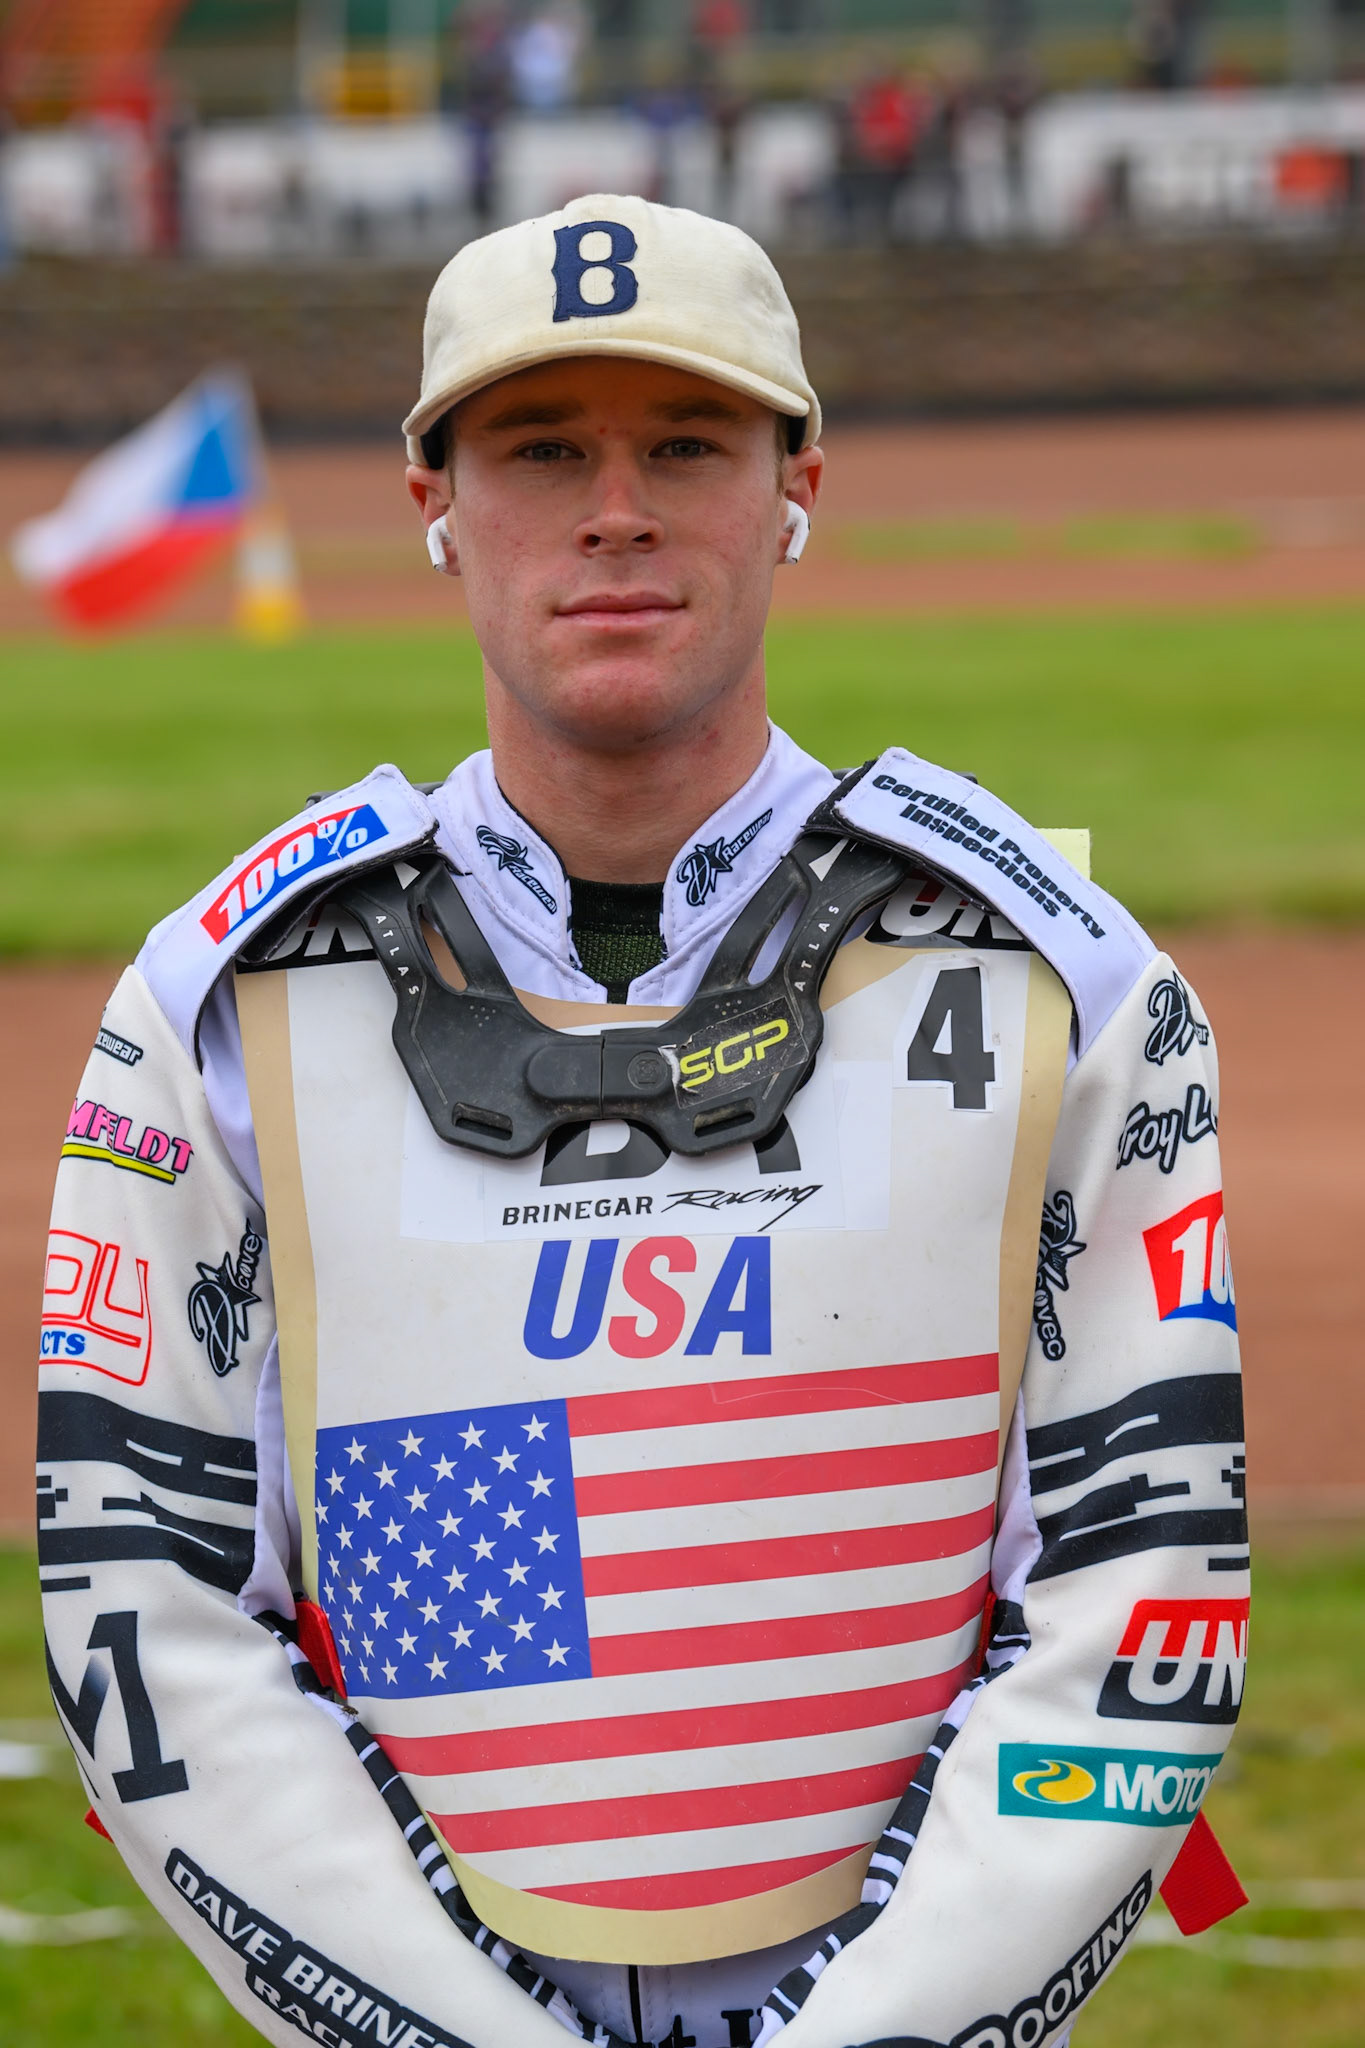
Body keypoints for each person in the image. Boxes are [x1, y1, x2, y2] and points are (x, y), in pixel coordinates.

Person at [38, 195, 1247, 2048]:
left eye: (686, 441)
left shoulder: (1065, 981)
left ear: (799, 484)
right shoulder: (209, 1005)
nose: (618, 507)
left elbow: (1140, 1601)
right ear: (432, 498)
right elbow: (142, 1605)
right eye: (542, 449)